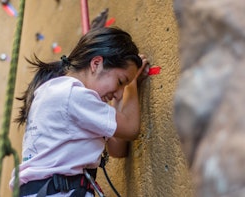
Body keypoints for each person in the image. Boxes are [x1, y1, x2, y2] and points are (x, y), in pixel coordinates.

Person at [9, 26, 149, 197]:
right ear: (96, 64)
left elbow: (117, 149)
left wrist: (123, 90)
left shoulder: (57, 91)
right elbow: (130, 128)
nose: (119, 93)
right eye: (120, 81)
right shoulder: (73, 95)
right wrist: (133, 85)